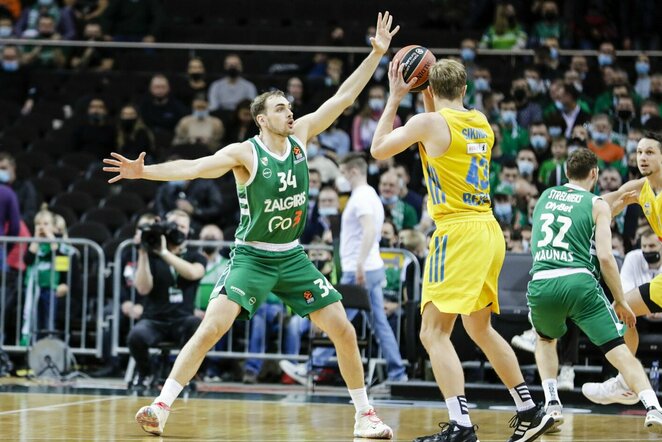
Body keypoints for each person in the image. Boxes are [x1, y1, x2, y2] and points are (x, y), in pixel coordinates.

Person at [103, 12, 399, 439]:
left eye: (290, 107)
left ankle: (364, 415)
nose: (290, 112)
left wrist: (375, 54)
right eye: (281, 108)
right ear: (262, 118)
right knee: (210, 328)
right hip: (253, 257)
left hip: (293, 257)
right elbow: (196, 167)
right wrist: (143, 173)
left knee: (343, 329)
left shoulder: (302, 136)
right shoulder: (246, 152)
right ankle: (161, 405)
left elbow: (344, 97)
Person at [370, 57, 552, 442]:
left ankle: (461, 426)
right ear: (465, 90)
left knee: (433, 333)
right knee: (479, 328)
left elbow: (378, 149)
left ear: (428, 91)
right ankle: (529, 408)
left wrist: (395, 95)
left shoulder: (429, 123)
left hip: (456, 232)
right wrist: (427, 94)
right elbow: (437, 124)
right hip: (488, 230)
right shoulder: (481, 122)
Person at [527, 148, 662, 434]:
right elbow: (604, 258)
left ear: (565, 173)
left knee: (545, 340)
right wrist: (619, 299)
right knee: (619, 348)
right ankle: (653, 407)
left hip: (541, 280)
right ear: (595, 174)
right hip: (578, 281)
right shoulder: (596, 203)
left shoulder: (544, 197)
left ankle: (551, 403)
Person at [281, 153, 408, 384]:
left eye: (343, 172)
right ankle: (398, 373)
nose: (341, 177)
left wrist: (359, 263)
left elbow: (369, 230)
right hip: (368, 268)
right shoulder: (370, 196)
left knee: (336, 321)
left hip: (359, 270)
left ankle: (311, 367)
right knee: (378, 325)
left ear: (353, 172)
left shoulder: (361, 198)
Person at [582, 131, 662, 409]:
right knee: (624, 311)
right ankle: (625, 382)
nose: (642, 157)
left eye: (650, 152)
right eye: (639, 152)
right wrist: (574, 204)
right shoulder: (641, 188)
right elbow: (608, 200)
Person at [126, 209, 206, 389]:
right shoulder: (152, 254)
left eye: (182, 226)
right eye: (174, 225)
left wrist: (164, 253)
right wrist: (143, 253)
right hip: (154, 319)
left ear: (189, 232)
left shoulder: (195, 255)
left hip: (182, 319)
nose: (178, 229)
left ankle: (185, 375)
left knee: (196, 325)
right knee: (136, 336)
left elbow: (193, 273)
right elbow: (143, 288)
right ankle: (146, 372)